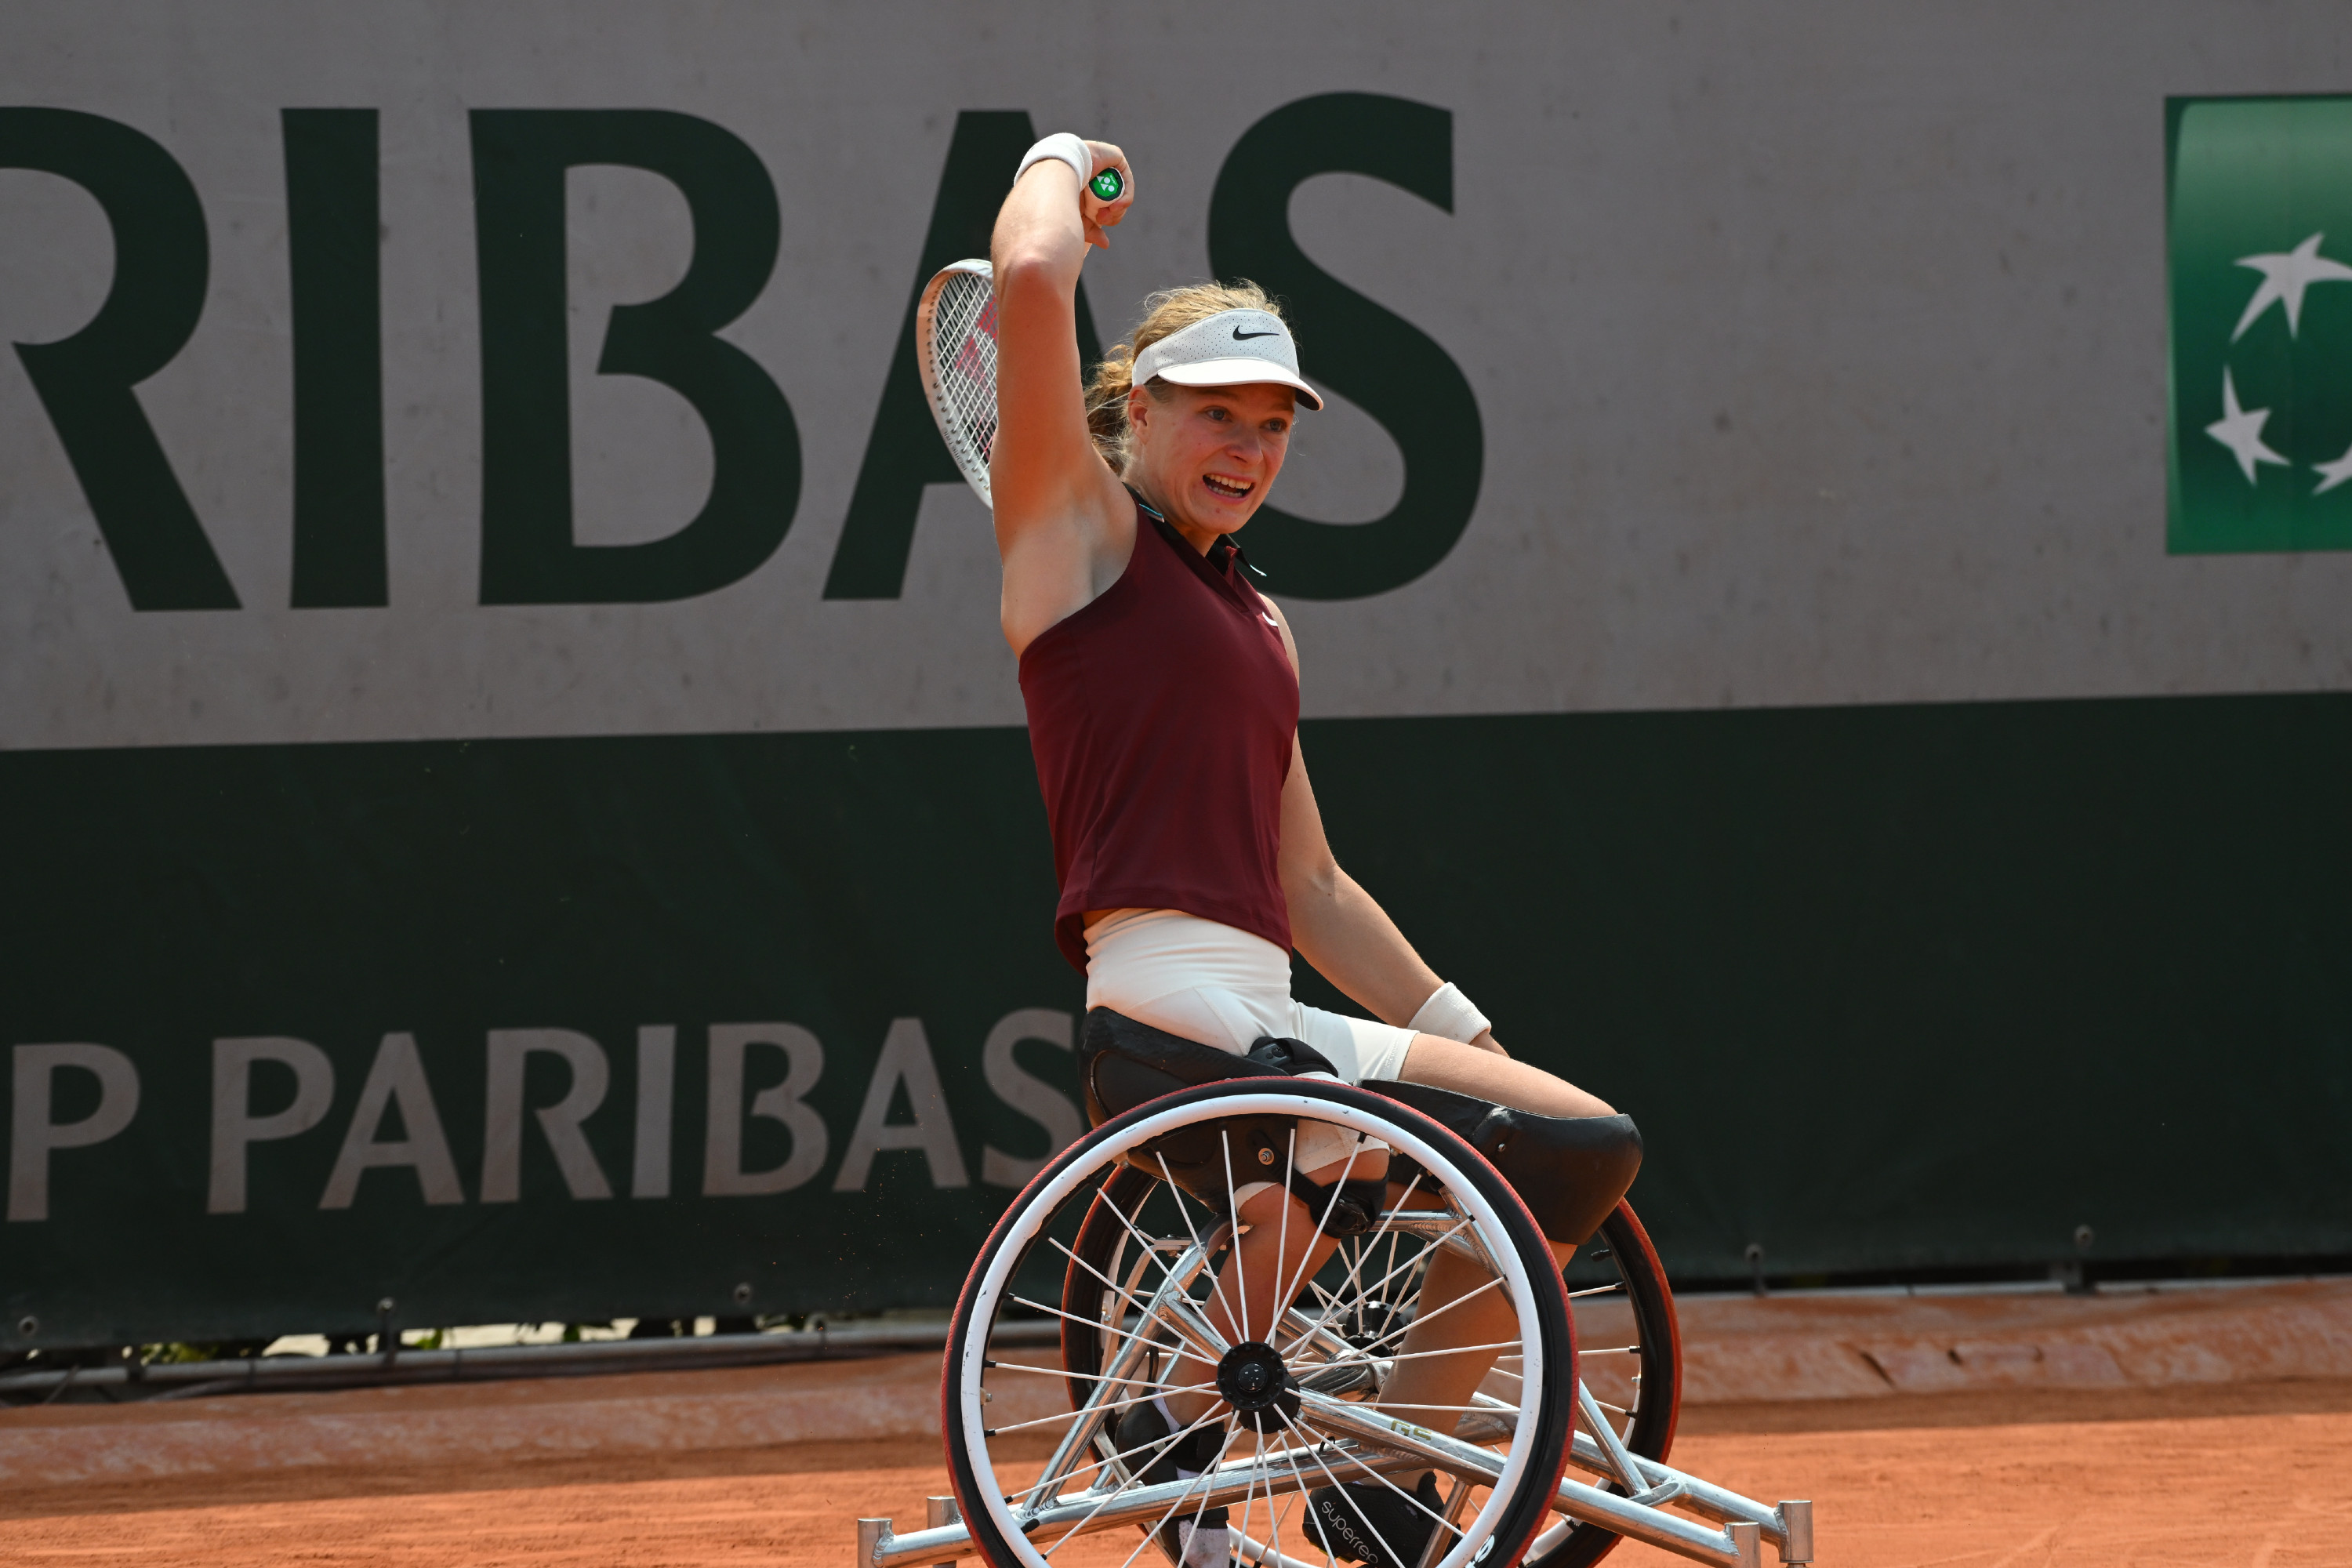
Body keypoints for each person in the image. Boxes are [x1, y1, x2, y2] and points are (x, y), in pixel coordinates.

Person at [988, 133, 1620, 1568]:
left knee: (1576, 1151)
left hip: (1272, 1017)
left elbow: (1314, 887)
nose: (1248, 449)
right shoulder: (1074, 538)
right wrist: (1063, 163)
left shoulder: (1261, 622)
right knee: (1346, 1139)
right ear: (1136, 410)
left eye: (1274, 426)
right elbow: (1029, 277)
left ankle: (1372, 1468)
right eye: (1216, 414)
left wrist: (1470, 1040)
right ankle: (1175, 1412)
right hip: (1165, 1010)